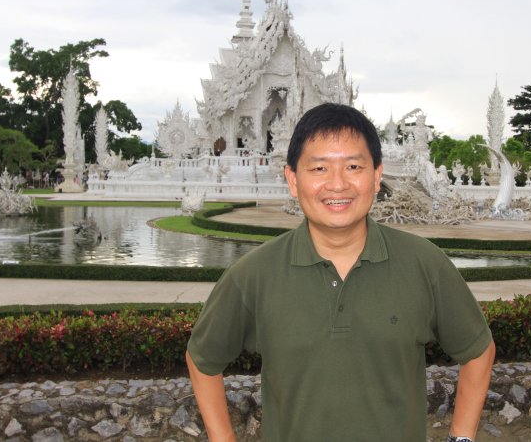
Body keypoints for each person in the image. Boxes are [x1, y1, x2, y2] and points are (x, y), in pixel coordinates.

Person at [186, 103, 495, 442]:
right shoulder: (253, 275)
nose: (337, 184)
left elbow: (478, 349)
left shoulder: (423, 264)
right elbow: (202, 359)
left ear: (377, 176)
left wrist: (461, 438)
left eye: (353, 166)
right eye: (319, 168)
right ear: (292, 179)